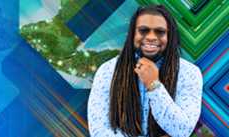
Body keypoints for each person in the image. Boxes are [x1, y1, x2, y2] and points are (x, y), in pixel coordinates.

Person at [87, 4, 203, 137]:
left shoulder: (189, 73)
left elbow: (181, 130)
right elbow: (99, 131)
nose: (151, 37)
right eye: (143, 30)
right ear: (132, 34)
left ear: (170, 36)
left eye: (160, 31)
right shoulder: (107, 71)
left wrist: (153, 85)